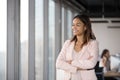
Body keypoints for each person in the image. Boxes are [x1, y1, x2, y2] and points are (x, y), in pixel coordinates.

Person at [56, 14, 99, 80]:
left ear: (85, 27)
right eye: (73, 25)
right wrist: (77, 68)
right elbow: (58, 63)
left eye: (78, 25)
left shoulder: (93, 44)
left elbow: (91, 63)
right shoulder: (67, 43)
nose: (74, 27)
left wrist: (72, 62)